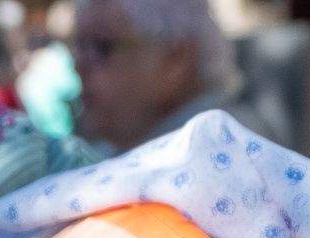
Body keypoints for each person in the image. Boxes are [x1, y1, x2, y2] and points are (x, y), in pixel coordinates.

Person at [67, 0, 292, 149]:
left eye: (99, 46)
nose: (77, 64)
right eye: (77, 46)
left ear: (177, 59)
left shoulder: (220, 149)